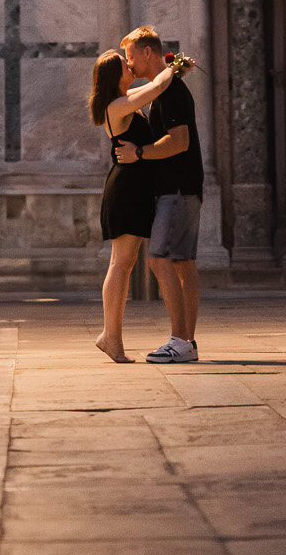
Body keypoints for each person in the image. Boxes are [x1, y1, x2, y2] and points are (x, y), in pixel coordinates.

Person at [117, 25, 203, 363]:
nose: (130, 63)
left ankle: (179, 340)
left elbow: (179, 142)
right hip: (184, 187)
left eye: (131, 55)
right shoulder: (166, 89)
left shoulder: (169, 93)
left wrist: (139, 153)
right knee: (183, 264)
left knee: (159, 259)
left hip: (177, 188)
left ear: (147, 52)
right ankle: (187, 341)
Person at [89, 46, 175, 364]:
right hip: (125, 190)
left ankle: (109, 335)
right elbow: (155, 87)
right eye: (125, 64)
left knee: (123, 265)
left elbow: (150, 89)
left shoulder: (126, 101)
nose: (130, 66)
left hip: (135, 189)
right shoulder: (117, 106)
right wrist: (175, 66)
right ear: (116, 75)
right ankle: (112, 338)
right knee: (120, 266)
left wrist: (168, 70)